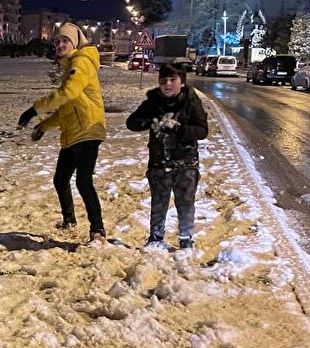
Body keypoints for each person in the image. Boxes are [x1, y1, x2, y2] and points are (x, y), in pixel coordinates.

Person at [17, 22, 107, 243]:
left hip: (87, 129)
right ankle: (69, 221)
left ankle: (98, 230)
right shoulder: (69, 68)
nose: (59, 44)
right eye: (57, 41)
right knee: (61, 179)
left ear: (74, 43)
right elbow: (66, 109)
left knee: (83, 182)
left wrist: (34, 109)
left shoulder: (81, 62)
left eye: (64, 40)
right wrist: (43, 125)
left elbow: (68, 92)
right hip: (73, 133)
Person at [126, 61, 210, 249]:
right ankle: (156, 238)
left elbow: (202, 131)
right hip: (159, 162)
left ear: (182, 81)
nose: (168, 84)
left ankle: (186, 239)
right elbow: (131, 122)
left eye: (173, 79)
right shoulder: (152, 102)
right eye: (163, 80)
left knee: (185, 203)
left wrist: (180, 128)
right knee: (158, 203)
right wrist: (153, 122)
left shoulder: (191, 102)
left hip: (186, 163)